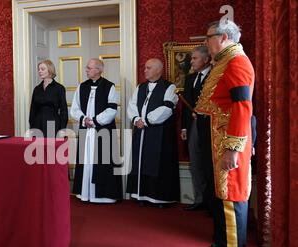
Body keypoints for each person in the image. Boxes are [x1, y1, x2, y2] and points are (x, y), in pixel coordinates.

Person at [194, 20, 254, 247]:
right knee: (219, 202)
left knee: (230, 202)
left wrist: (232, 148)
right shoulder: (224, 62)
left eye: (209, 37)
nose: (207, 42)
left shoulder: (237, 62)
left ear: (225, 36)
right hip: (215, 142)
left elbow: (242, 107)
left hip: (228, 145)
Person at [126, 58, 179, 207]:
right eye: (145, 67)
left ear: (158, 70)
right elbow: (132, 104)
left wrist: (148, 120)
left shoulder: (169, 87)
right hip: (141, 131)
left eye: (148, 68)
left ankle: (158, 198)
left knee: (157, 162)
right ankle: (140, 195)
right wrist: (136, 119)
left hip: (159, 131)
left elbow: (168, 108)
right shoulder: (141, 87)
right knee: (141, 161)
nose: (145, 70)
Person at [70, 58, 122, 203]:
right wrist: (83, 119)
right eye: (87, 68)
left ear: (99, 70)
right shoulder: (82, 86)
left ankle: (104, 196)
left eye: (89, 68)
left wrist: (95, 121)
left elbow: (112, 110)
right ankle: (85, 193)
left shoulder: (109, 87)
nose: (86, 70)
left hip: (102, 130)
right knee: (86, 159)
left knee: (102, 160)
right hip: (86, 129)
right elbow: (74, 108)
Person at [181, 46, 211, 211]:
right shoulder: (190, 78)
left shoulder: (215, 76)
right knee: (195, 162)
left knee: (208, 163)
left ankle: (211, 202)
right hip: (193, 126)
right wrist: (184, 127)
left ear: (206, 60)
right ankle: (199, 199)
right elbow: (186, 106)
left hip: (209, 126)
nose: (191, 61)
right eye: (191, 58)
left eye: (195, 58)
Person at [29, 60, 68, 137]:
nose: (40, 71)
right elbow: (33, 110)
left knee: (51, 148)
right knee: (38, 148)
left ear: (50, 70)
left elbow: (64, 111)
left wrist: (62, 129)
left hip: (53, 123)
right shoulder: (37, 89)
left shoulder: (59, 88)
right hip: (38, 124)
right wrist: (32, 127)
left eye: (42, 69)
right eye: (39, 69)